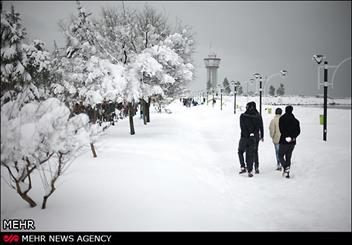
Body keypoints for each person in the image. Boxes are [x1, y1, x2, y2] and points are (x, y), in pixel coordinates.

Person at [238, 101, 263, 177]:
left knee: (240, 151)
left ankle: (243, 166)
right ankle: (251, 169)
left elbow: (242, 127)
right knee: (252, 153)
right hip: (254, 137)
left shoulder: (243, 116)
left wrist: (247, 134)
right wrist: (260, 135)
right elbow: (260, 126)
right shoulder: (257, 116)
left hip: (244, 137)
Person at [278, 105, 300, 178]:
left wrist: (286, 136)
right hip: (292, 142)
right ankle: (287, 172)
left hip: (284, 141)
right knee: (288, 157)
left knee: (280, 155)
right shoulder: (296, 121)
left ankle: (285, 167)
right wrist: (293, 137)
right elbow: (298, 131)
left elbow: (281, 129)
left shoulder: (282, 119)